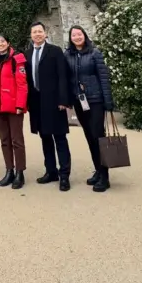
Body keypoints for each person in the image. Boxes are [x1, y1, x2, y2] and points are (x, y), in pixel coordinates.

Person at [65, 25, 114, 193]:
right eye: (74, 35)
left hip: (95, 100)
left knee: (98, 136)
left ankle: (105, 177)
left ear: (84, 36)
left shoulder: (94, 53)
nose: (77, 37)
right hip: (80, 101)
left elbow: (103, 77)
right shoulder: (68, 55)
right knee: (89, 136)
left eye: (79, 34)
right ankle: (98, 170)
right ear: (70, 38)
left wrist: (108, 101)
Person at [25, 21, 73, 192]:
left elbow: (62, 76)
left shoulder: (55, 51)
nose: (37, 34)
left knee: (59, 138)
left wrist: (63, 100)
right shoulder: (28, 53)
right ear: (31, 35)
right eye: (34, 32)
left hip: (54, 102)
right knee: (45, 138)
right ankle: (51, 171)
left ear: (45, 33)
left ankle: (65, 174)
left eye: (40, 31)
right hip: (37, 103)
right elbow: (27, 81)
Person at [0, 33, 28, 189]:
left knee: (17, 140)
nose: (0, 44)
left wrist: (20, 105)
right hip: (0, 107)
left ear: (8, 43)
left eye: (3, 41)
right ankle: (9, 170)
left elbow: (22, 84)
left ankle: (20, 172)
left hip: (14, 107)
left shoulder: (17, 59)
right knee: (4, 140)